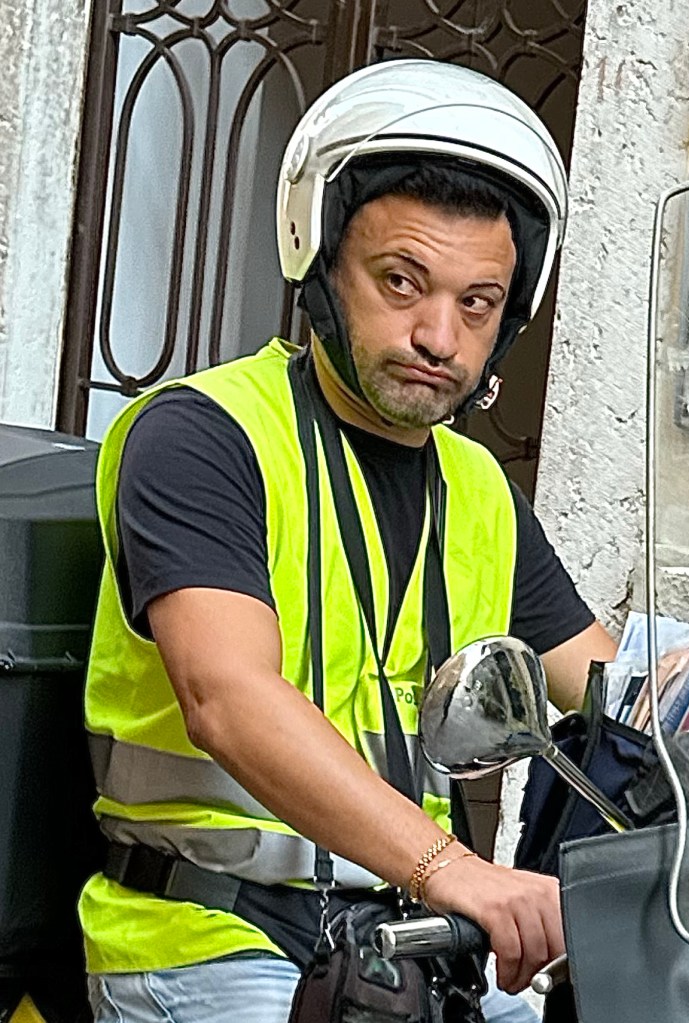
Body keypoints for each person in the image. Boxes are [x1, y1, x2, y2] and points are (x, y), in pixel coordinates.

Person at [81, 59, 617, 1023]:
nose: (438, 335)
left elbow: (613, 690)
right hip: (216, 936)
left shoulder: (478, 489)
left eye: (476, 303)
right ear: (321, 262)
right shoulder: (204, 434)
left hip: (412, 944)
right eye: (401, 282)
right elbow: (227, 699)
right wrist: (457, 869)